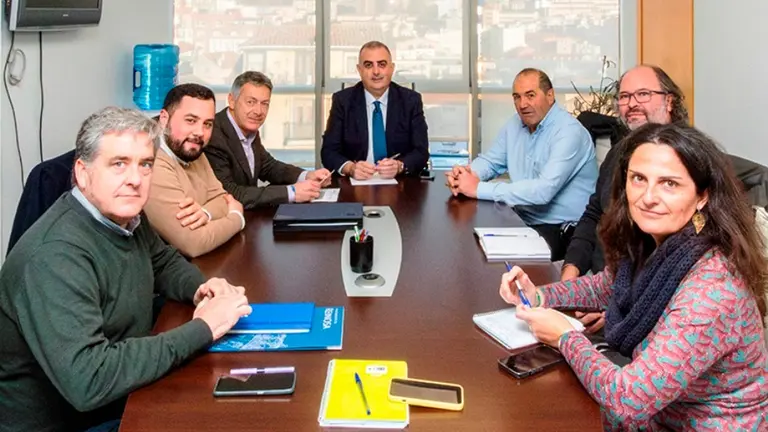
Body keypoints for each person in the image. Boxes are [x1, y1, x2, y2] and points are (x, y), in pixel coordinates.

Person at [500, 123, 768, 430]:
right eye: (639, 178)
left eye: (669, 183)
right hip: (663, 414)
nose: (648, 197)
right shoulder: (656, 243)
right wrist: (538, 295)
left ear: (702, 197)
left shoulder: (712, 290)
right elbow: (606, 286)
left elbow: (628, 400)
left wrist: (564, 337)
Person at [0, 107, 252, 432]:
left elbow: (161, 260)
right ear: (83, 173)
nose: (135, 180)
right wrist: (203, 328)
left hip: (118, 393)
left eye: (145, 164)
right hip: (69, 420)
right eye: (119, 163)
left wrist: (202, 287)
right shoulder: (54, 255)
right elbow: (90, 380)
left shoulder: (125, 215)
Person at [562, 64, 768, 333]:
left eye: (643, 94)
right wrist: (570, 271)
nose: (632, 104)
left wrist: (611, 310)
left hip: (651, 316)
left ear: (669, 101)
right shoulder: (619, 154)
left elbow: (665, 282)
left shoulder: (693, 157)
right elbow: (594, 214)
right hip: (609, 289)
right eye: (624, 96)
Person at [446, 68, 597, 260]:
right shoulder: (515, 124)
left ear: (550, 95)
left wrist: (477, 188)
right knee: (467, 243)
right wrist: (466, 174)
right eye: (517, 97)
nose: (522, 104)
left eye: (530, 95)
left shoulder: (569, 132)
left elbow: (543, 191)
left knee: (497, 262)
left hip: (563, 230)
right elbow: (492, 161)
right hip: (524, 219)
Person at [143, 83, 246, 258]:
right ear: (164, 118)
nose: (200, 132)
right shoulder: (149, 160)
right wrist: (237, 217)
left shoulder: (191, 147)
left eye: (208, 124)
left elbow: (223, 199)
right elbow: (193, 242)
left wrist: (205, 213)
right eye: (190, 120)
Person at [205, 71, 331, 208]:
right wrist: (292, 192)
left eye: (264, 103)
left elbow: (269, 166)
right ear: (231, 101)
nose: (258, 111)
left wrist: (306, 175)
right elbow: (230, 194)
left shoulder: (247, 128)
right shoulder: (212, 136)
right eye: (250, 102)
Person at [321, 40, 430, 180]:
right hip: (355, 183)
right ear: (359, 70)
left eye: (382, 64)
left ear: (391, 68)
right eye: (368, 65)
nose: (376, 72)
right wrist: (350, 168)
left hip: (400, 183)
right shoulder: (343, 101)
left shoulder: (410, 101)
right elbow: (329, 152)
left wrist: (399, 166)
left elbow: (421, 152)